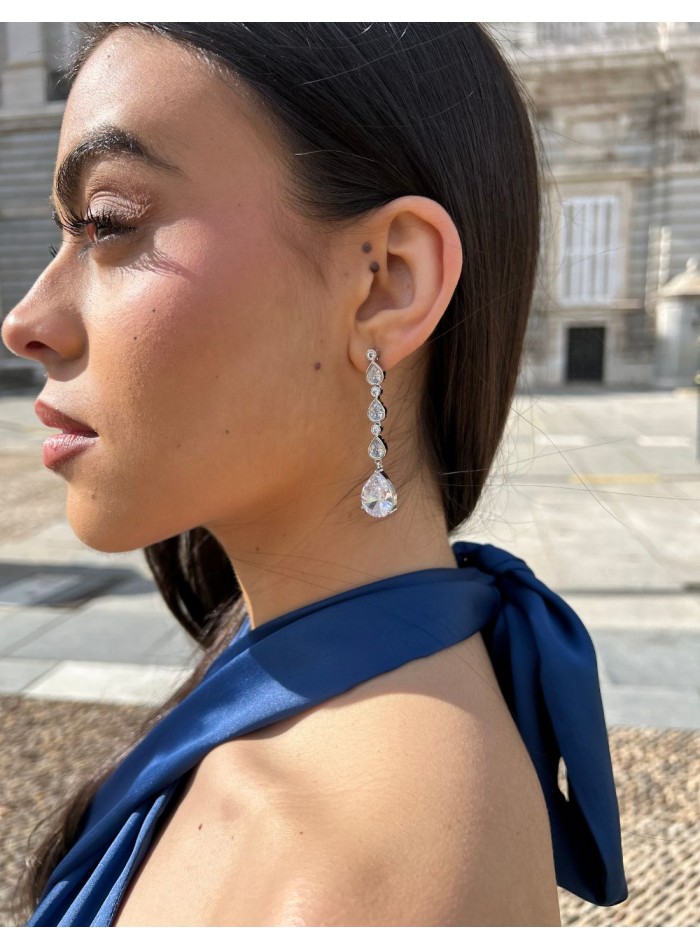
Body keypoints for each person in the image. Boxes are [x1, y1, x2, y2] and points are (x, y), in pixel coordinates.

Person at [1, 22, 627, 926]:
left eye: (109, 224)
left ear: (387, 282)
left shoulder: (358, 888)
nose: (26, 319)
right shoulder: (290, 691)